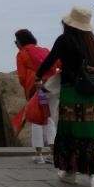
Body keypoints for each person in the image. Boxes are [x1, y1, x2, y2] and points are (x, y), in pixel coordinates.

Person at [35, 6, 94, 187]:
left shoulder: (65, 40)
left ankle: (70, 172)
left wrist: (38, 77)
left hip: (73, 91)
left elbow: (49, 60)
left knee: (70, 131)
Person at [14, 29, 60, 163]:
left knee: (36, 119)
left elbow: (22, 77)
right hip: (51, 86)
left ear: (21, 42)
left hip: (37, 88)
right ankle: (53, 153)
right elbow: (57, 64)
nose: (16, 44)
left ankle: (39, 155)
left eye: (16, 41)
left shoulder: (22, 54)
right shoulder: (44, 50)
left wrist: (28, 90)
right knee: (50, 118)